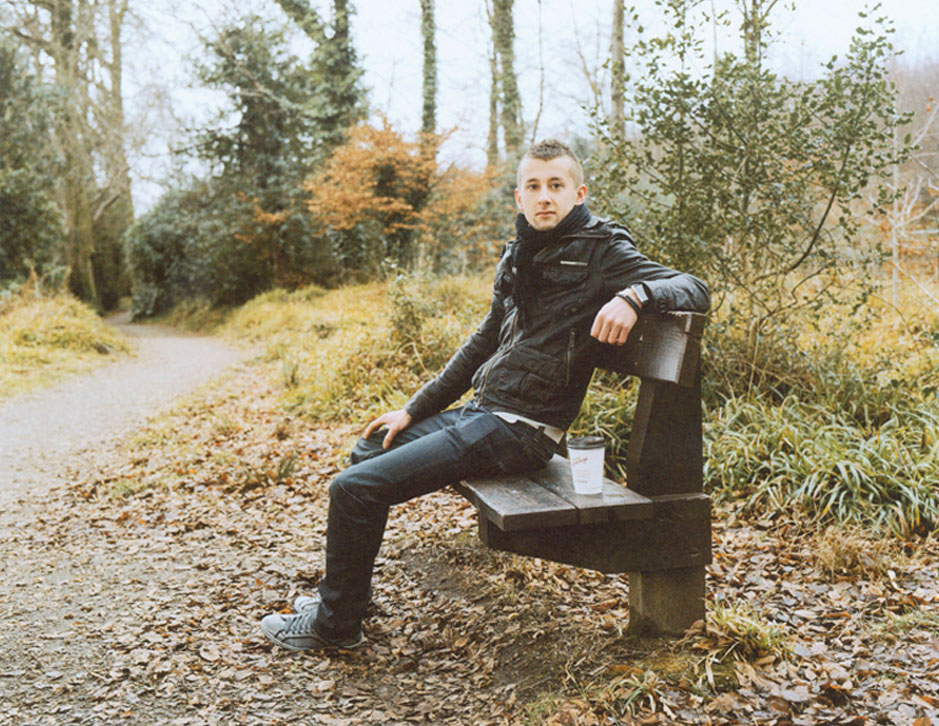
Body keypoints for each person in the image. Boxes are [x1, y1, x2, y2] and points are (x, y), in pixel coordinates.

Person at [260, 138, 710, 652]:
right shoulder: (521, 252)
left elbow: (693, 286)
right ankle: (347, 600)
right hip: (484, 416)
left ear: (578, 193)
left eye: (556, 186)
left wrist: (635, 296)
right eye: (534, 187)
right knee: (371, 448)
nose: (545, 197)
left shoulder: (602, 250)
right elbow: (482, 341)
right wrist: (413, 410)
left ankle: (335, 627)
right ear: (519, 198)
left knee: (354, 488)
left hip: (521, 431)